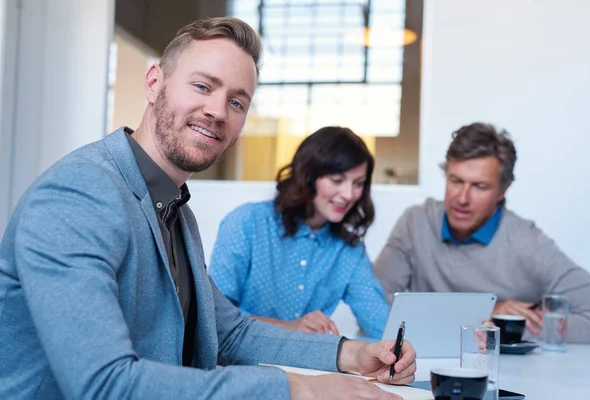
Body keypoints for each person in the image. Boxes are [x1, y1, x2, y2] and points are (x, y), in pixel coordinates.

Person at [0, 17, 416, 399]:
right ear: (153, 83)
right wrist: (297, 388)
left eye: (237, 102)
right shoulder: (80, 193)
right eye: (202, 86)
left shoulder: (175, 211)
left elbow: (229, 333)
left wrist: (354, 355)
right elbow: (105, 385)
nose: (217, 111)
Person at [373, 122, 590, 343]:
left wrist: (511, 327)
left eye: (479, 187)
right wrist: (487, 313)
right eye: (456, 181)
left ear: (502, 191)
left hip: (504, 374)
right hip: (422, 369)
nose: (462, 199)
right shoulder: (415, 223)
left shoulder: (528, 243)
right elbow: (372, 308)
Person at [210, 127, 389, 339]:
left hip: (303, 369)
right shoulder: (246, 223)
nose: (349, 195)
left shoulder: (349, 249)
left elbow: (380, 323)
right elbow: (215, 316)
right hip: (238, 366)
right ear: (308, 176)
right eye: (337, 181)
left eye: (358, 184)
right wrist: (289, 327)